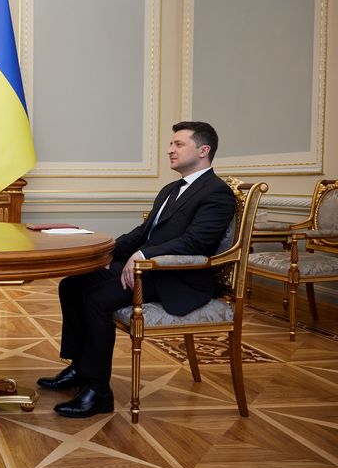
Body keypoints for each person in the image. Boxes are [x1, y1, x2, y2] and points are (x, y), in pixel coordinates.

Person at [38, 121, 236, 418]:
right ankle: (79, 366)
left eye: (179, 144)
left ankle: (98, 390)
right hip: (148, 268)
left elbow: (197, 241)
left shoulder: (217, 193)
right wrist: (106, 253)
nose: (170, 149)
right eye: (171, 144)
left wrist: (144, 254)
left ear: (204, 150)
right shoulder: (171, 188)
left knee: (97, 299)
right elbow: (143, 231)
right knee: (73, 283)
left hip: (177, 276)